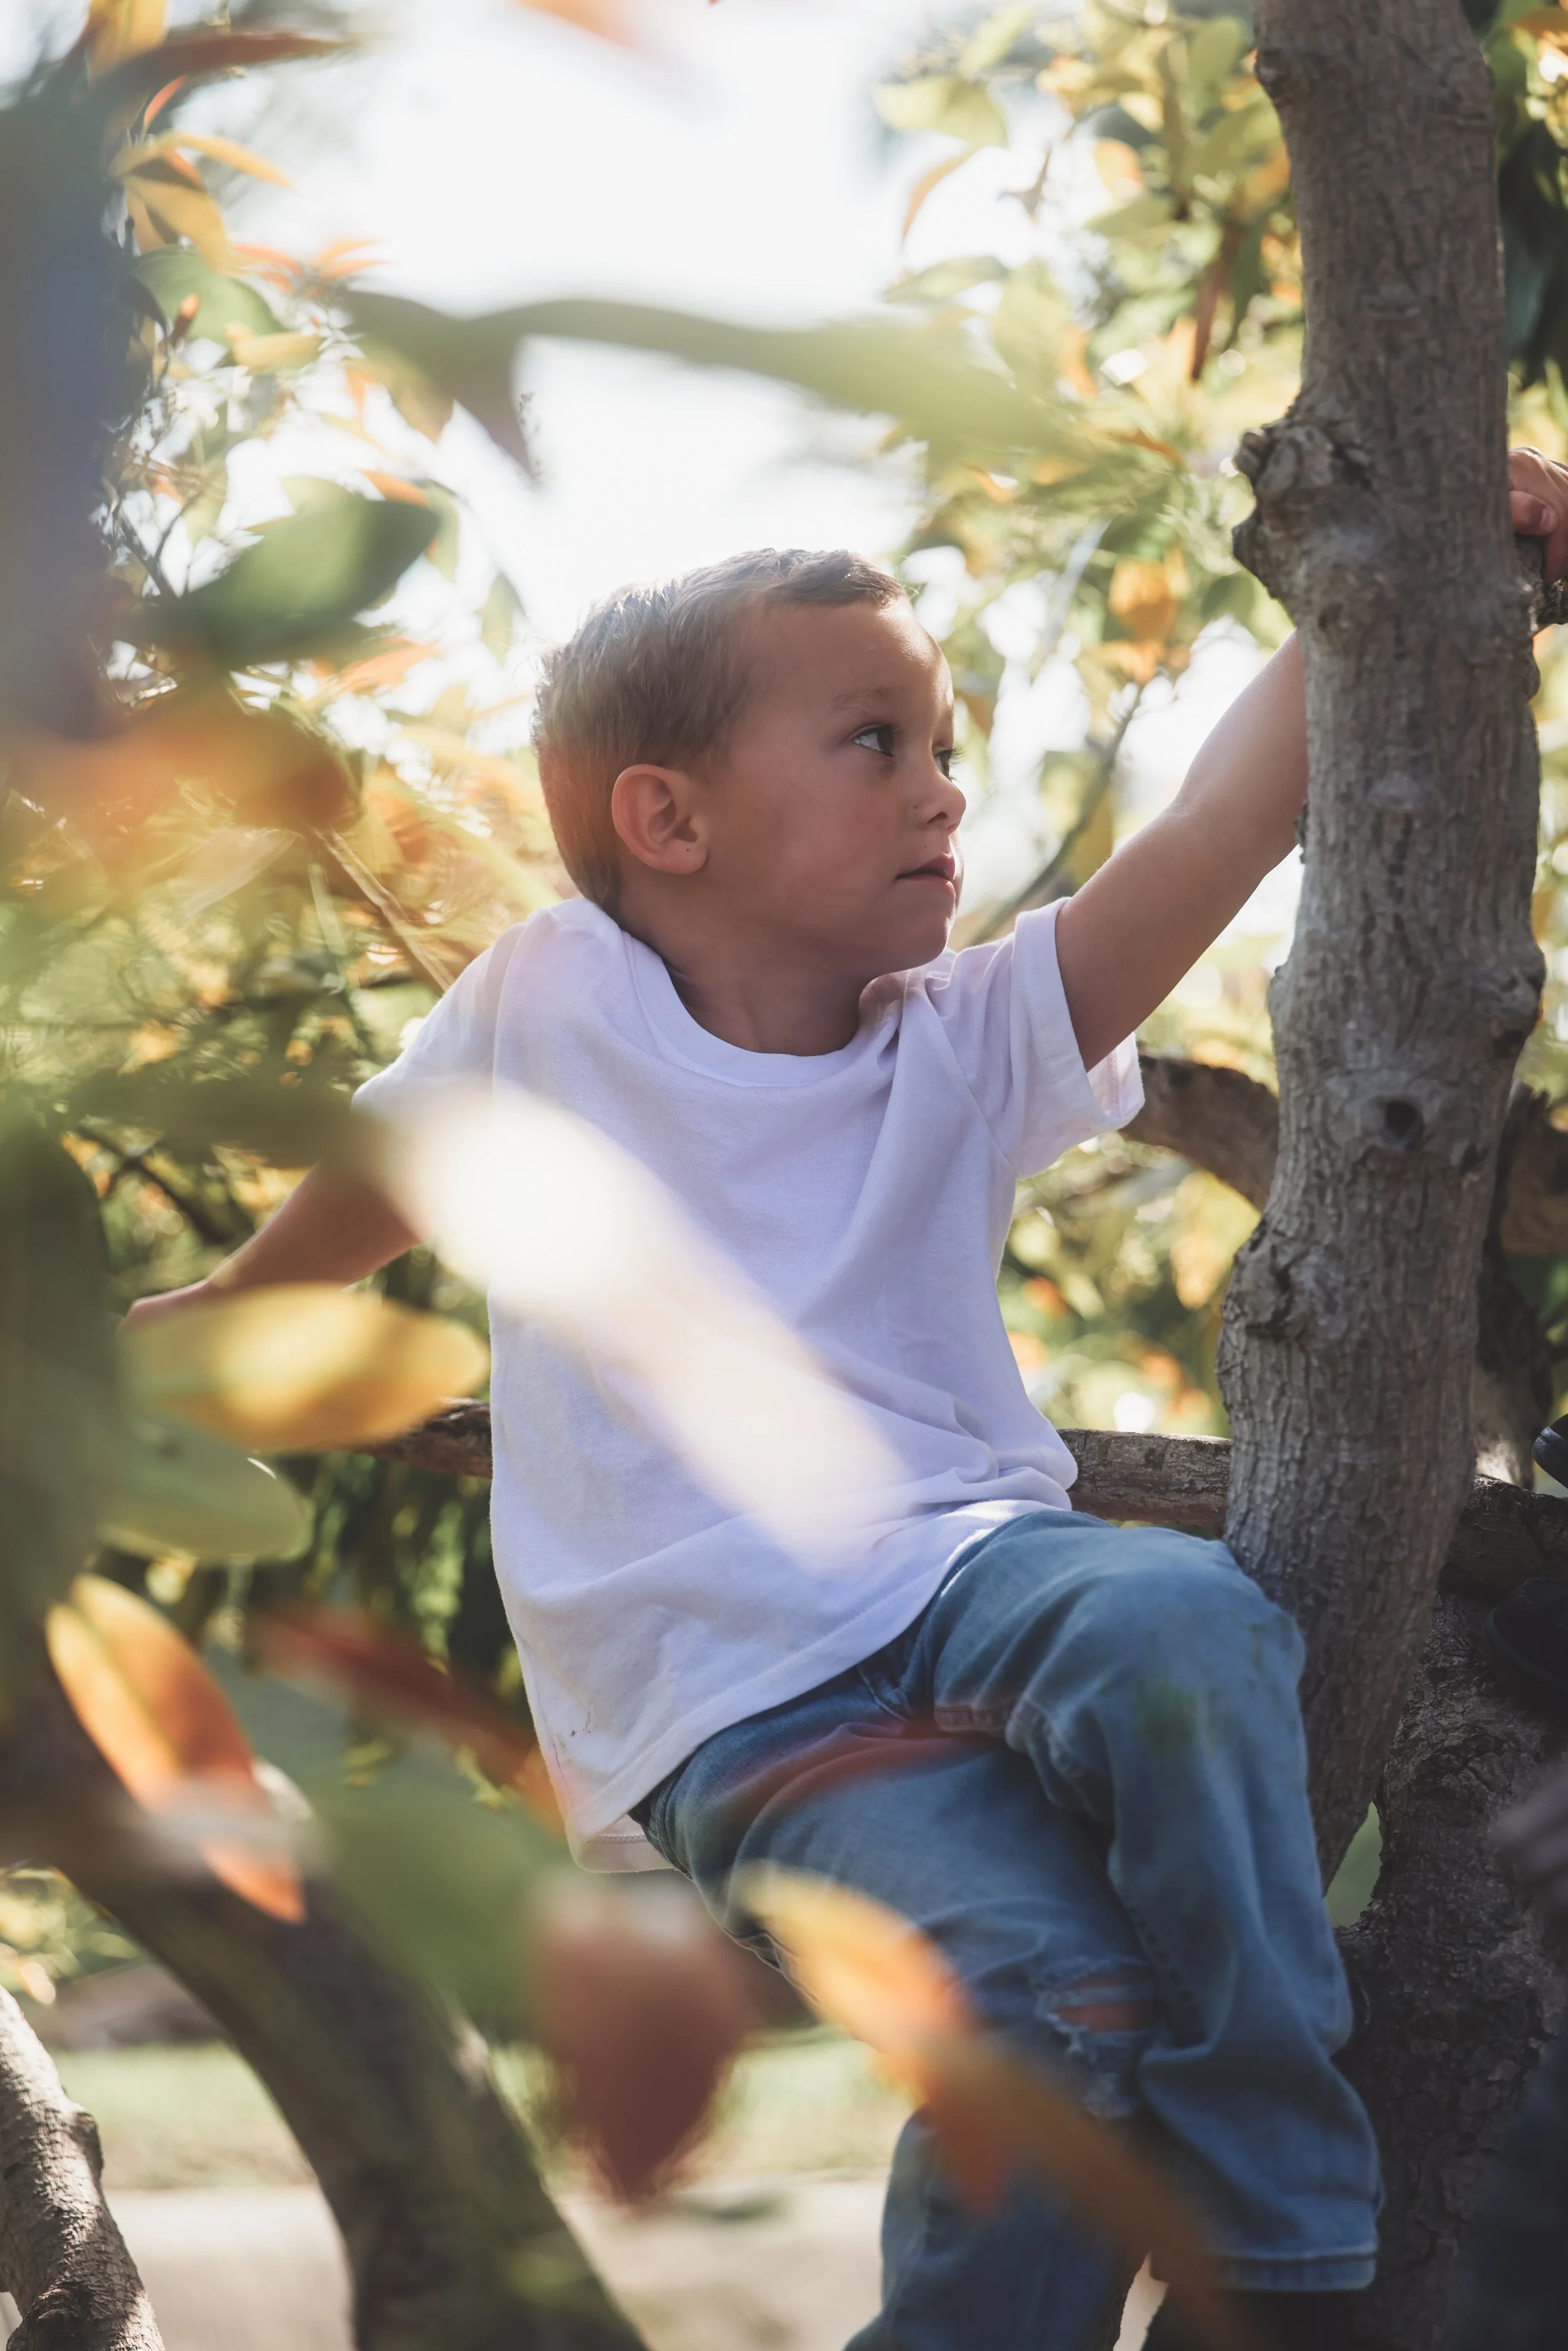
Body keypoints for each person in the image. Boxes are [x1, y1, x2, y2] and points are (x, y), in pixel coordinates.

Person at [130, 452, 1568, 2351]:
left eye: (947, 741)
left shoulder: (966, 1037)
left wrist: (1420, 554)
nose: (945, 784)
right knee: (1046, 2006)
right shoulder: (553, 1002)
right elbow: (366, 1192)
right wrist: (199, 1329)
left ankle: (1277, 2219)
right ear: (666, 816)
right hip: (739, 1690)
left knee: (1185, 1621)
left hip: (980, 1569)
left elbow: (1223, 820)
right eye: (876, 740)